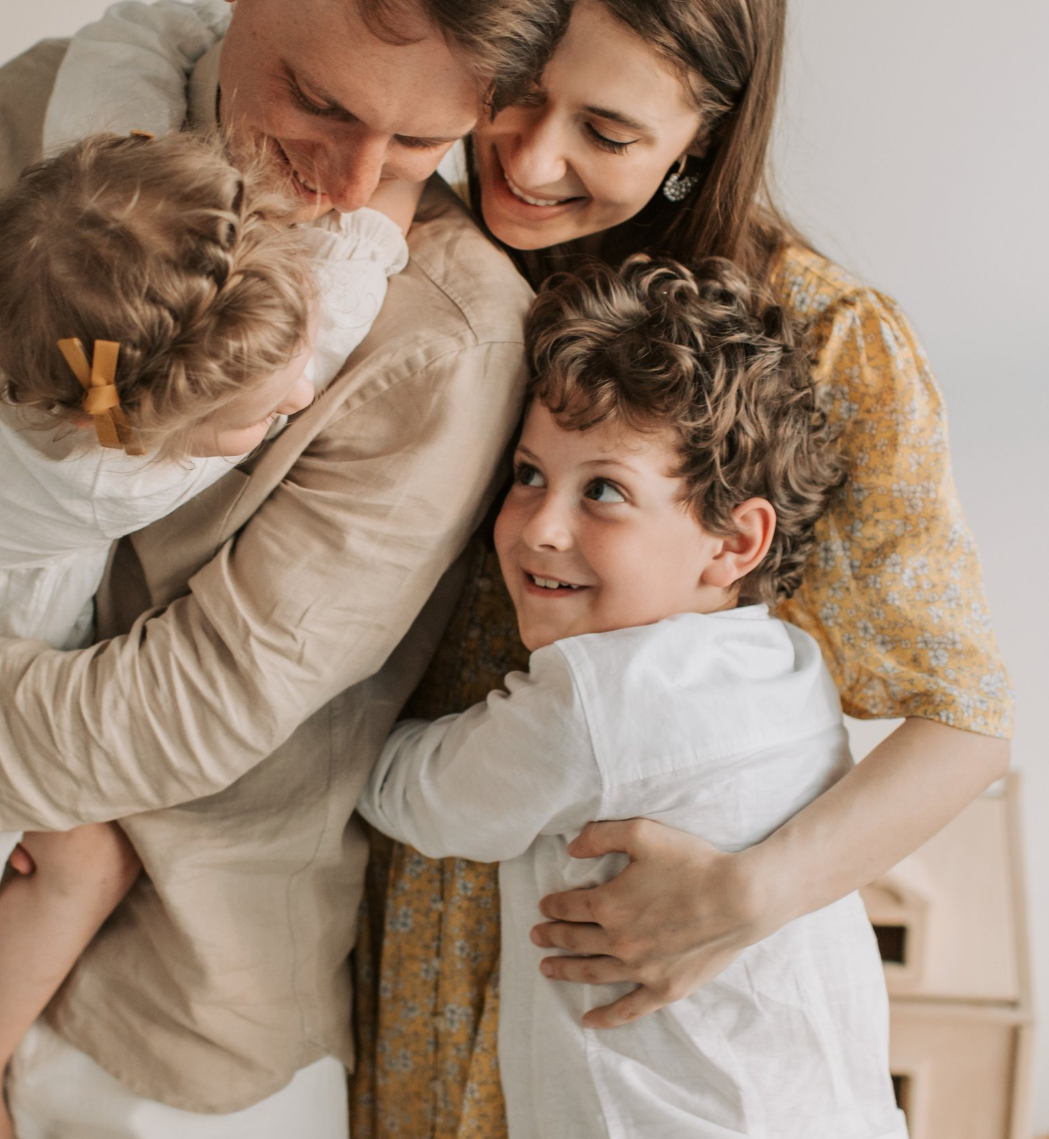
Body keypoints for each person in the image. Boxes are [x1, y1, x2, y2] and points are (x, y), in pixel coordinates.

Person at [0, 0, 581, 1135]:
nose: (347, 183)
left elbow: (198, 706)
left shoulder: (446, 332)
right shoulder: (43, 112)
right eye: (317, 101)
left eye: (424, 145)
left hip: (191, 1022)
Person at [352, 0, 1013, 1138]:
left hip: (655, 981)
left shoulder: (825, 346)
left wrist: (742, 897)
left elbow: (965, 724)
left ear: (700, 132)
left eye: (604, 130)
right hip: (425, 939)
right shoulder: (418, 263)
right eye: (519, 96)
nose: (530, 160)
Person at [0, 129, 413, 1139]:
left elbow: (117, 64)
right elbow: (353, 281)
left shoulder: (57, 252)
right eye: (256, 416)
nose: (301, 396)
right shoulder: (108, 465)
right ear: (142, 426)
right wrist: (401, 171)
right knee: (81, 861)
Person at [358, 256, 907, 1139]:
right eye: (529, 474)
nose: (540, 524)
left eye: (602, 490)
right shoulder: (793, 666)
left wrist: (336, 717)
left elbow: (421, 797)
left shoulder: (597, 697)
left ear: (734, 539)